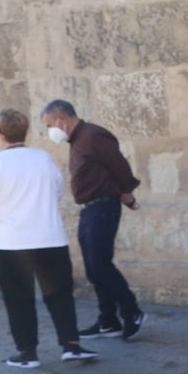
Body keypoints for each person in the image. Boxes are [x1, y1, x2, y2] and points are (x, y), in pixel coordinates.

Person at [0, 109, 99, 368]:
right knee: (60, 294)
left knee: (18, 298)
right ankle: (71, 345)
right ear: (27, 131)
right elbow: (56, 193)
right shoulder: (44, 159)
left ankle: (27, 353)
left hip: (11, 242)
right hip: (50, 236)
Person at [40, 99, 146, 342]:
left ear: (61, 119)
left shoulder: (93, 135)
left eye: (49, 124)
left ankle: (132, 313)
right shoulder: (77, 139)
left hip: (103, 207)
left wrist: (127, 192)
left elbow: (118, 166)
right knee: (93, 268)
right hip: (89, 209)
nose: (50, 130)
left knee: (100, 266)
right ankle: (108, 321)